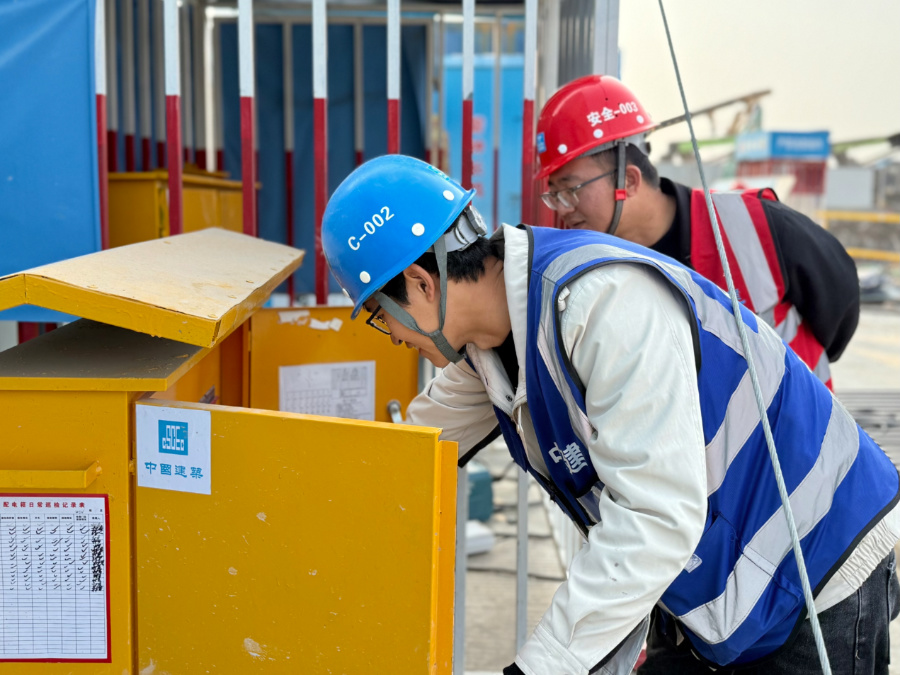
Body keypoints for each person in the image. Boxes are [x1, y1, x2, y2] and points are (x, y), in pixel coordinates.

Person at [321, 154, 900, 675]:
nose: (392, 337)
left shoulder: (600, 305)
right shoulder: (492, 342)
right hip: (724, 573)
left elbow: (654, 519)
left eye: (380, 314)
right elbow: (406, 448)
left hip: (818, 563)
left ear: (422, 284)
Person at [535, 74, 859, 390]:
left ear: (629, 181)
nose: (562, 208)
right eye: (554, 193)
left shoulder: (751, 226)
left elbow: (839, 297)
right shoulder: (588, 266)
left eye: (571, 188)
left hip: (797, 437)